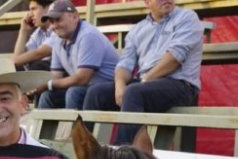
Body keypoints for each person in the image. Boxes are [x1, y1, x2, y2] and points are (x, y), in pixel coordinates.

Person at [82, 0, 203, 145]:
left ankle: (122, 157)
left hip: (181, 84)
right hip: (147, 84)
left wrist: (145, 80)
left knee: (134, 92)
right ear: (147, 2)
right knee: (96, 92)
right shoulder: (137, 29)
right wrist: (119, 85)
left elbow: (174, 59)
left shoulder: (187, 17)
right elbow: (125, 64)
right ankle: (85, 152)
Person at [34, 0, 119, 110]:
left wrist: (48, 84)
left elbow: (82, 79)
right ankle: (42, 127)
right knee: (48, 96)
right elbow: (56, 76)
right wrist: (37, 86)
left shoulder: (88, 35)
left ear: (74, 17)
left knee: (74, 92)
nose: (54, 26)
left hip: (111, 87)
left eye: (58, 20)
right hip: (89, 87)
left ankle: (76, 128)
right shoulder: (57, 39)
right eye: (51, 22)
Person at [12, 0, 56, 72]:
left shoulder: (59, 27)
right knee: (17, 69)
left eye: (34, 9)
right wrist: (23, 31)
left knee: (38, 66)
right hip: (46, 75)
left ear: (48, 8)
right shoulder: (38, 32)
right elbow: (18, 60)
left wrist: (14, 62)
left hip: (64, 74)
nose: (30, 14)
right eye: (29, 10)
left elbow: (40, 53)